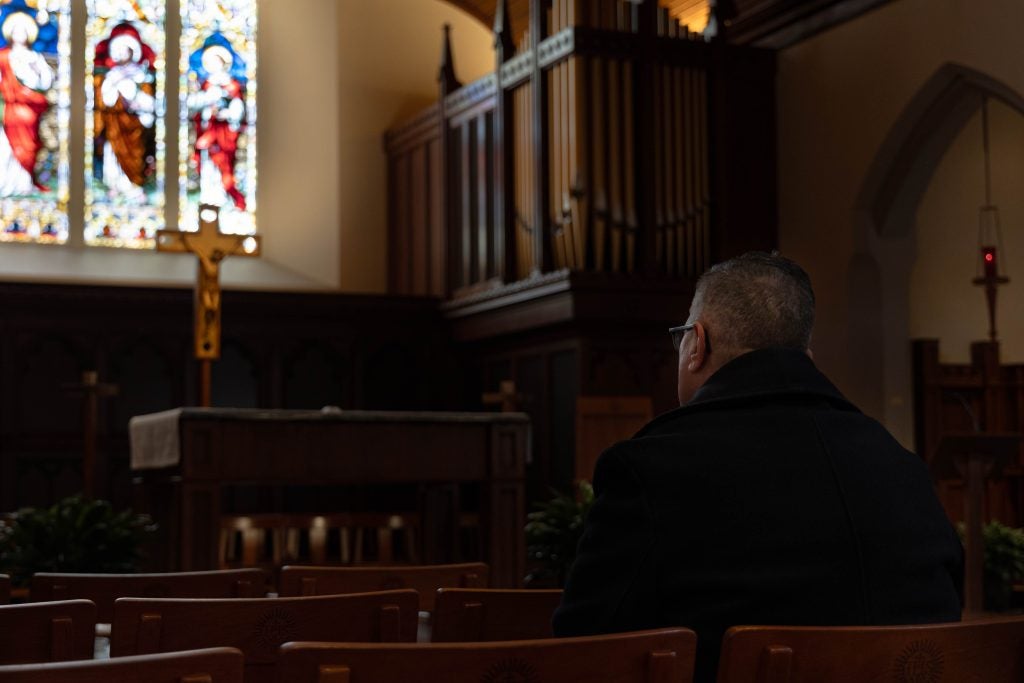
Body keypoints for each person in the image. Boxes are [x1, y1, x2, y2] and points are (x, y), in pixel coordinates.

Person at [552, 252, 963, 683]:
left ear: (698, 344)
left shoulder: (647, 471)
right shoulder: (904, 468)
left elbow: (582, 651)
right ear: (806, 353)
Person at [94, 22, 157, 200]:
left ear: (132, 52)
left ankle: (134, 183)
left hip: (135, 125)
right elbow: (105, 100)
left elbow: (149, 102)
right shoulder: (111, 75)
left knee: (135, 154)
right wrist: (115, 86)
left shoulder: (141, 75)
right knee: (112, 154)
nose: (121, 54)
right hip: (115, 124)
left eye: (125, 50)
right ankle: (114, 185)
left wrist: (135, 96)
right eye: (118, 50)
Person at [0, 10, 54, 196]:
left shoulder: (35, 57)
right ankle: (7, 184)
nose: (19, 35)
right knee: (7, 147)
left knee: (29, 147)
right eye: (16, 31)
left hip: (31, 110)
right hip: (10, 109)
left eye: (23, 32)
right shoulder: (4, 56)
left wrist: (36, 70)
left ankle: (24, 183)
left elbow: (46, 81)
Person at [190, 43, 246, 211]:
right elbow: (195, 105)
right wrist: (207, 101)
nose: (215, 65)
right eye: (211, 62)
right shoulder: (206, 84)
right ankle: (208, 196)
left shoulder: (232, 84)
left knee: (224, 163)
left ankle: (224, 196)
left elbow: (238, 108)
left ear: (224, 63)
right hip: (208, 130)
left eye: (218, 61)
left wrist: (228, 113)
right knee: (207, 163)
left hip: (224, 133)